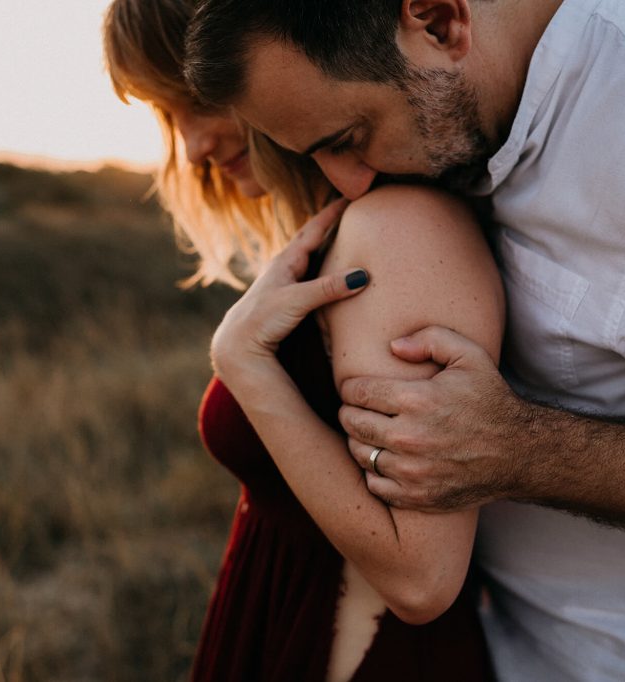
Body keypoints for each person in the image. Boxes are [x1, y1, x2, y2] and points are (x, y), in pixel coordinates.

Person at [183, 0, 625, 679]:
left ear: (438, 21)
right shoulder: (467, 109)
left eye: (348, 136)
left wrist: (521, 449)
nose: (351, 182)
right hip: (510, 646)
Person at [104, 1, 504, 680]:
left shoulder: (400, 230)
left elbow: (422, 574)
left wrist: (245, 367)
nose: (193, 146)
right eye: (165, 118)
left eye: (194, 100)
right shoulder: (334, 232)